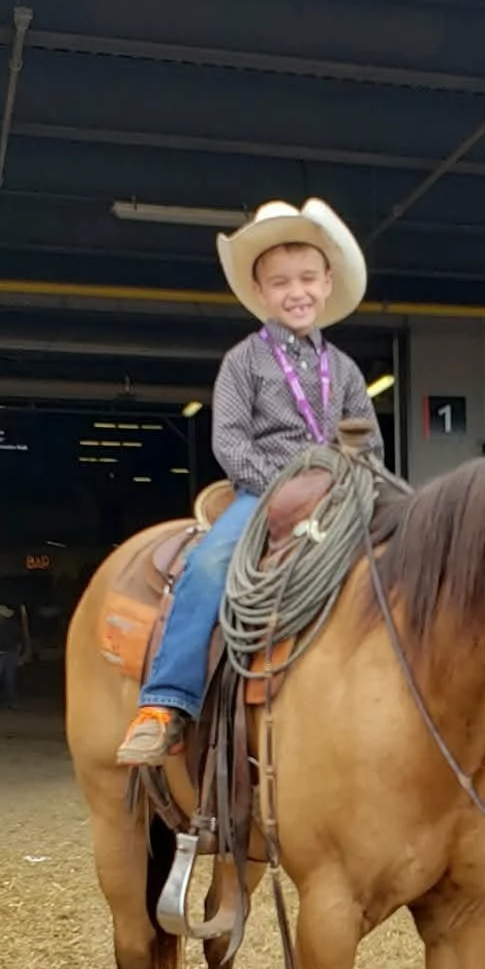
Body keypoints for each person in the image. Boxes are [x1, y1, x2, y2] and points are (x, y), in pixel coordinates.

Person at [117, 198, 383, 766]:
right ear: (260, 292)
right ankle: (167, 702)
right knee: (209, 564)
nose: (297, 292)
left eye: (308, 279)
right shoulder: (242, 362)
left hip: (339, 494)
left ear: (327, 283)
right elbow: (230, 443)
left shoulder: (349, 371)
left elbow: (371, 443)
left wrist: (360, 484)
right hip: (264, 494)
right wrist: (285, 485)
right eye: (281, 282)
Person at [0, 605, 24, 710]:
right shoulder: (14, 625)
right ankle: (11, 701)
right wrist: (19, 655)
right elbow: (19, 641)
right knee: (9, 679)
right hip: (11, 653)